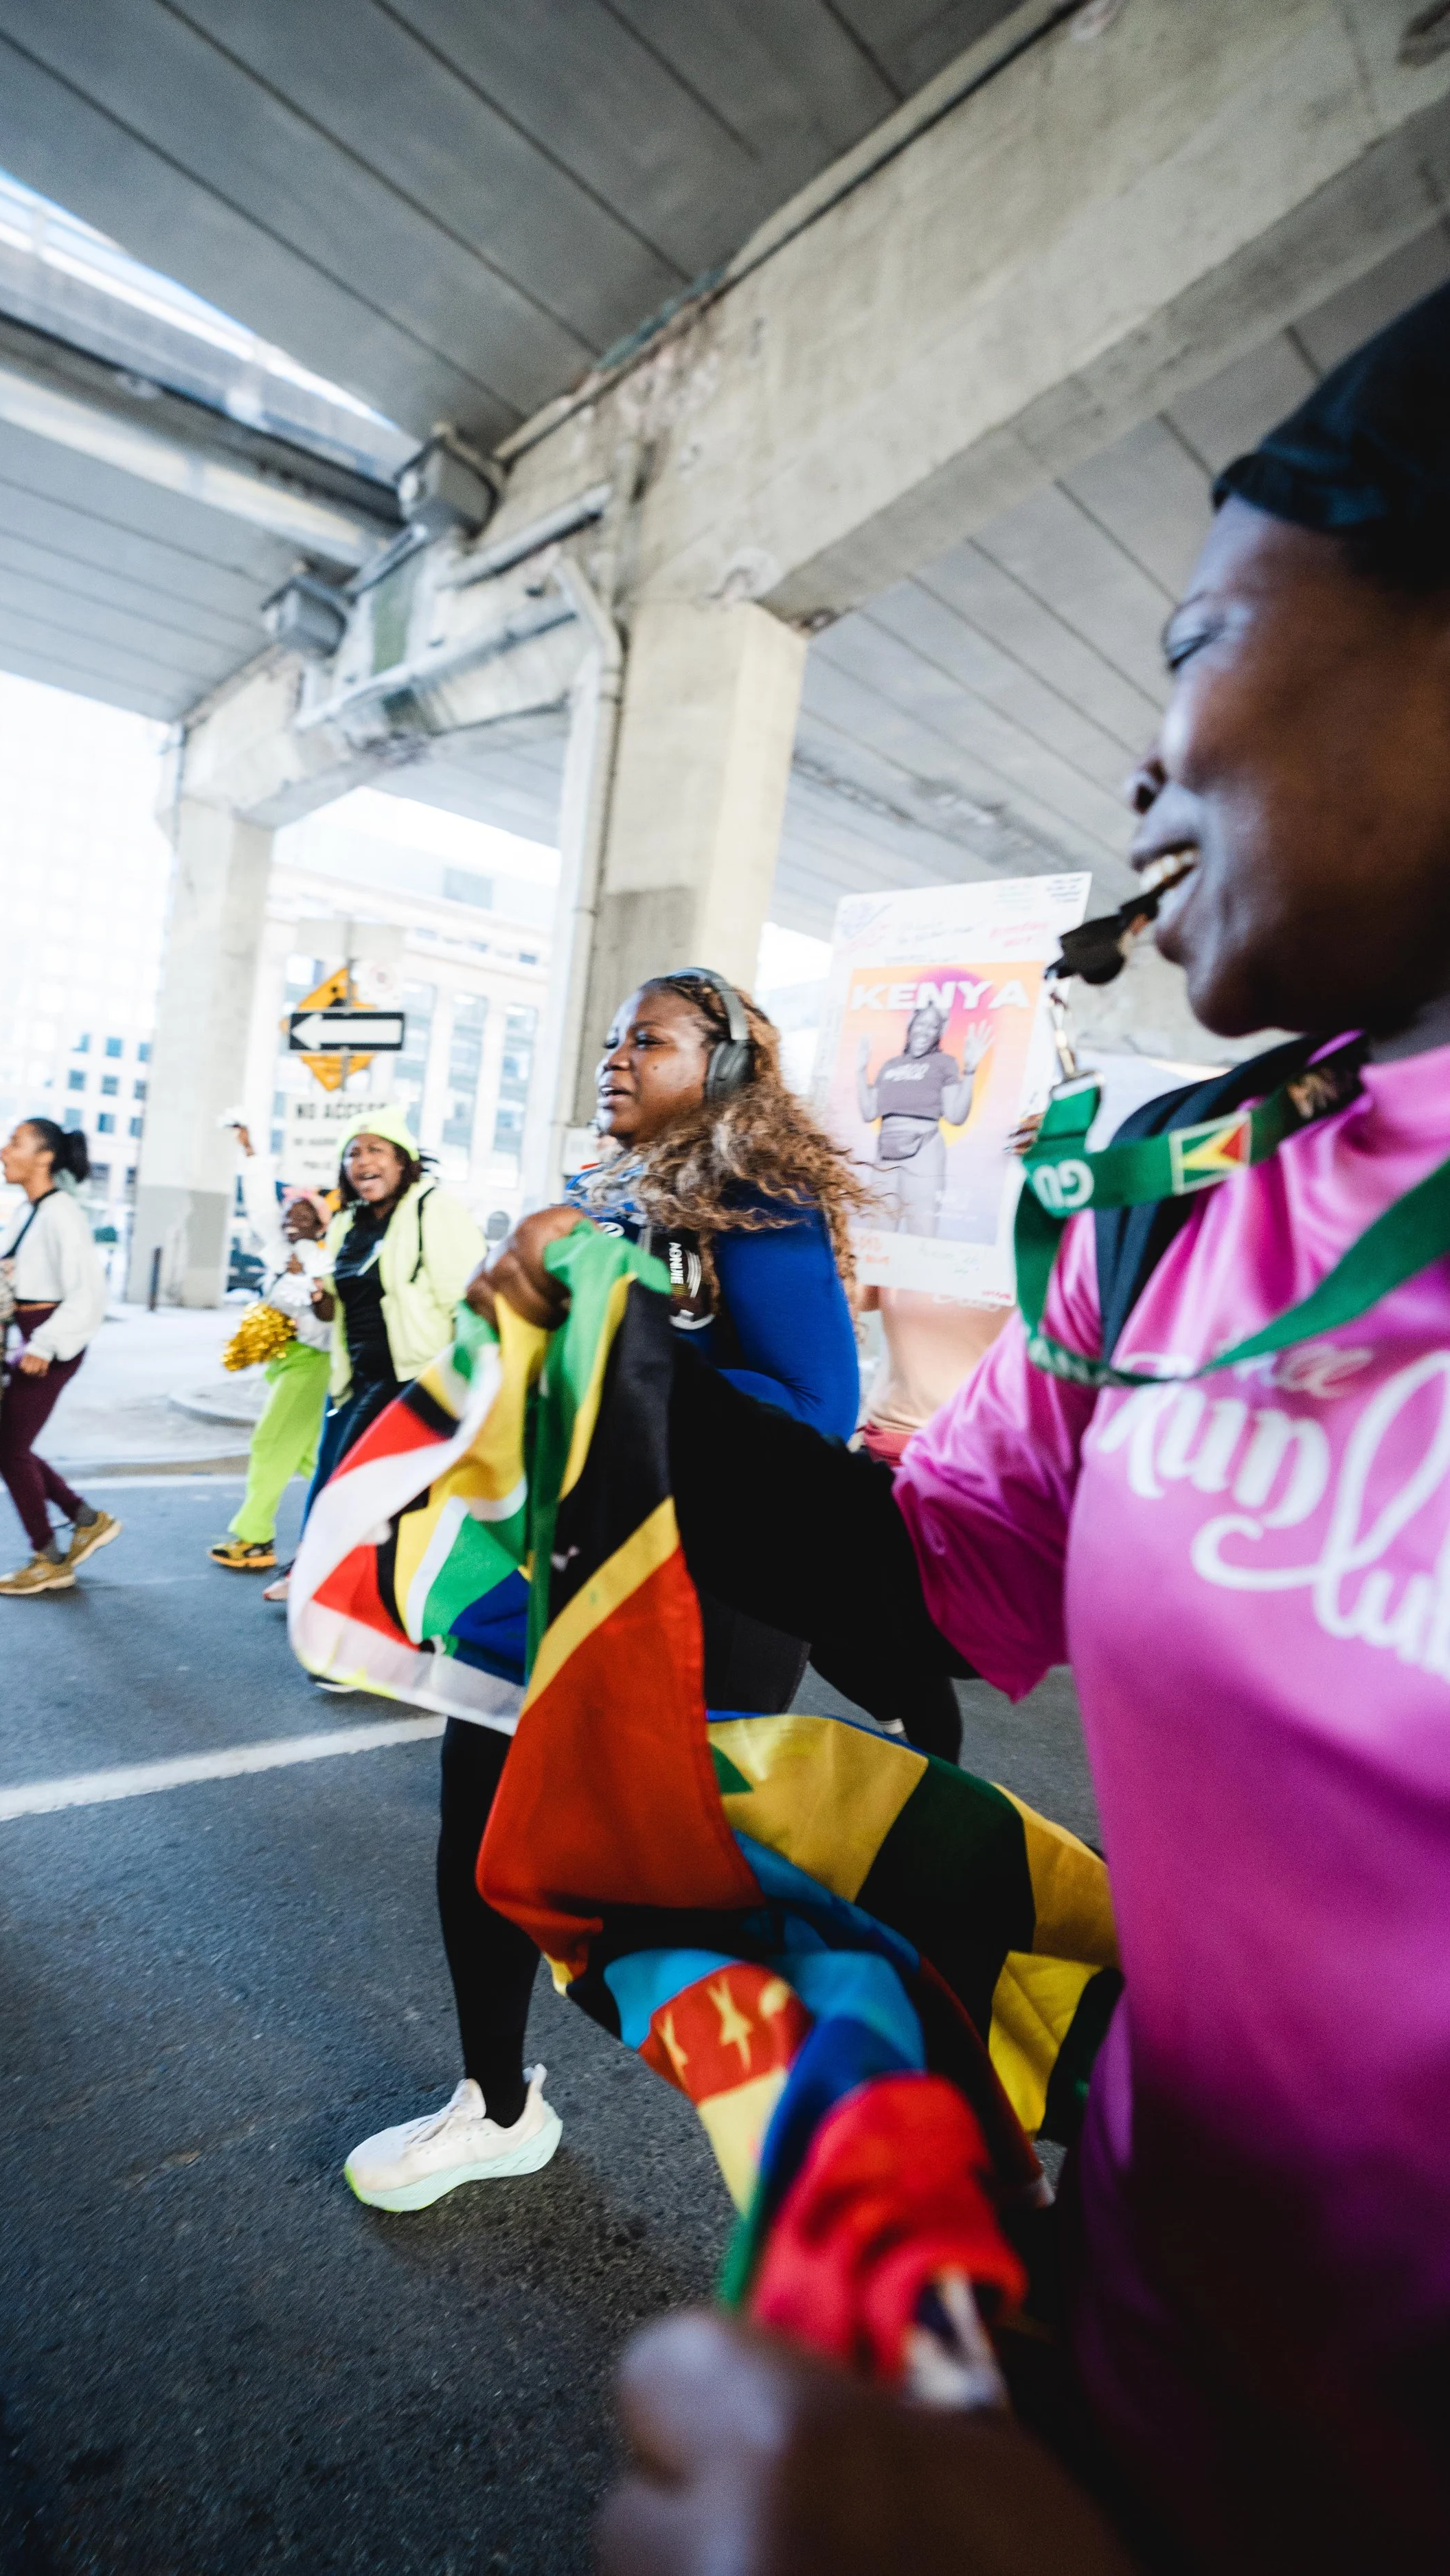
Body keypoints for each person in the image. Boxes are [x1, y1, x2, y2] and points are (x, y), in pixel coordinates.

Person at [484, 286, 1450, 2575]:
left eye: (1203, 638)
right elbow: (925, 1573)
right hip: (1106, 2369)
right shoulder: (1186, 1205)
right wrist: (611, 1372)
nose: (1144, 769)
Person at [343, 969, 865, 2215]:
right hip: (556, 1570)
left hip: (712, 1591)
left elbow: (817, 1411)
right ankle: (497, 2107)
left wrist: (628, 1364)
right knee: (479, 1840)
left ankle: (857, 2154)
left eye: (653, 1039)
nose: (617, 1056)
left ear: (726, 1064)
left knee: (701, 1888)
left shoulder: (755, 1199)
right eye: (614, 1036)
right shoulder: (596, 1197)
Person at [261, 1103, 484, 1601]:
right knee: (330, 1473)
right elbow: (331, 1313)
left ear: (404, 1161)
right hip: (356, 1374)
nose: (363, 1162)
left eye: (376, 1150)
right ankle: (323, 1572)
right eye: (353, 1154)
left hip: (415, 1376)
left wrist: (470, 1381)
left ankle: (336, 1586)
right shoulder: (348, 1225)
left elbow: (467, 1299)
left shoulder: (433, 1209)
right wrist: (318, 1297)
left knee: (355, 1484)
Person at [0, 1117, 117, 1598]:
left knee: (9, 1449)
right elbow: (1, 1269)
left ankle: (49, 1557)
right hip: (28, 1336)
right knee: (11, 1444)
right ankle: (86, 1521)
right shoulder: (31, 1211)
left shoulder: (63, 1213)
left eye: (14, 1143)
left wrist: (44, 1345)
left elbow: (89, 1293)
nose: (4, 1151)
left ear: (44, 1157)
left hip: (47, 1342)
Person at [209, 1124, 332, 1573]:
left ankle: (255, 1537)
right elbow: (261, 1202)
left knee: (270, 1443)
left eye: (303, 1216)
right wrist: (252, 1153)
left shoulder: (325, 1258)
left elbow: (328, 1319)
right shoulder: (281, 1249)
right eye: (288, 1214)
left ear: (322, 1224)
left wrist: (312, 1284)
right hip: (283, 1363)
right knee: (309, 1457)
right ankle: (362, 1521)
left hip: (312, 1363)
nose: (290, 1220)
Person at [856, 1000, 992, 1237]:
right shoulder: (890, 1065)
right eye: (920, 1023)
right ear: (910, 1027)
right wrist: (860, 1070)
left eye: (933, 1027)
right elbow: (869, 1112)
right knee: (879, 1229)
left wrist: (970, 1070)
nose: (924, 1030)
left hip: (925, 1150)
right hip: (886, 1153)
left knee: (921, 1226)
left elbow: (956, 1116)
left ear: (939, 1033)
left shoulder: (944, 1063)